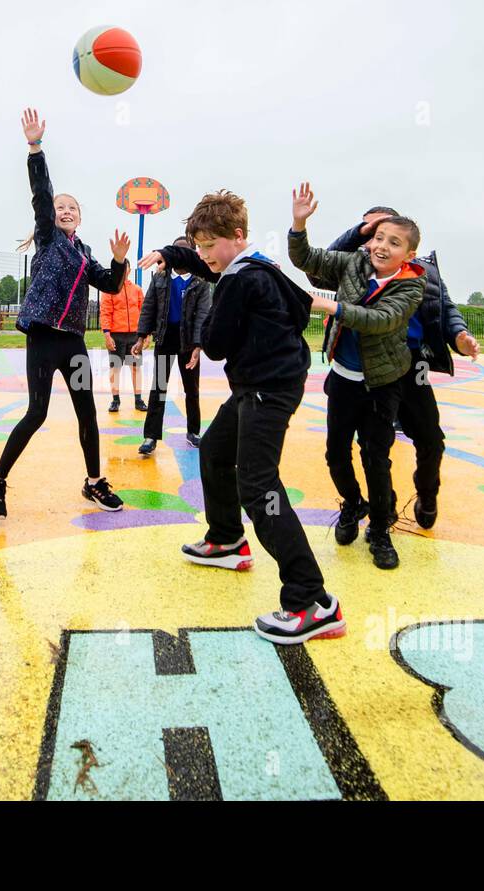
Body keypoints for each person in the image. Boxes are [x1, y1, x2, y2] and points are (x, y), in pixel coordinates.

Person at [139, 191, 345, 646]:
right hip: (266, 380)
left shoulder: (238, 280)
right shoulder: (262, 266)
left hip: (266, 389)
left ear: (235, 237)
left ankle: (312, 601)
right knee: (214, 450)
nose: (203, 256)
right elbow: (297, 305)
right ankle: (228, 539)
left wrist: (219, 317)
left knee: (259, 485)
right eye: (198, 247)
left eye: (209, 246)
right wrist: (173, 253)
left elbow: (213, 344)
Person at [0, 108, 130, 519]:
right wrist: (35, 148)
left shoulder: (84, 253)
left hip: (74, 342)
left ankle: (95, 483)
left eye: (71, 209)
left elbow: (111, 285)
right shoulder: (48, 239)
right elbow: (42, 194)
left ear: (80, 219)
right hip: (44, 337)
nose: (64, 210)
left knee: (88, 411)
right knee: (38, 411)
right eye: (60, 207)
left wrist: (119, 261)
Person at [288, 183, 426, 569]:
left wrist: (330, 306)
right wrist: (299, 223)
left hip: (382, 384)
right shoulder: (354, 264)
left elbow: (380, 321)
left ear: (408, 254)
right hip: (344, 380)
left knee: (376, 458)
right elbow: (308, 259)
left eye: (394, 242)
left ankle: (381, 528)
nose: (383, 246)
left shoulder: (412, 285)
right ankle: (352, 503)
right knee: (335, 453)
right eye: (379, 237)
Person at [326, 207, 480, 528]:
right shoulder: (359, 265)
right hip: (371, 367)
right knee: (373, 445)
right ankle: (385, 508)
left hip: (412, 365)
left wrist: (460, 335)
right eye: (372, 231)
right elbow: (319, 267)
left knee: (430, 439)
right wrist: (359, 231)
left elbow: (445, 307)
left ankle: (427, 492)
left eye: (384, 231)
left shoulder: (423, 272)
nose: (378, 240)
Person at [133, 236, 212, 453]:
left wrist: (197, 345)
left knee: (192, 389)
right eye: (176, 250)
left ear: (193, 254)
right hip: (165, 338)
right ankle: (150, 437)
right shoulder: (160, 277)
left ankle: (193, 431)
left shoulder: (201, 281)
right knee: (158, 388)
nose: (180, 254)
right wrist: (141, 336)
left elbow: (203, 315)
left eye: (185, 251)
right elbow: (149, 307)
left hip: (188, 342)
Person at [100, 269, 146, 412]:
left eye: (125, 268)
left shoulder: (137, 290)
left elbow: (144, 311)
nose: (123, 271)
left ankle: (138, 400)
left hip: (134, 335)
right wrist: (107, 335)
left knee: (135, 367)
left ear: (129, 270)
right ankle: (115, 400)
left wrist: (145, 334)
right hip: (116, 335)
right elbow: (105, 312)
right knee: (115, 368)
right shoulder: (109, 290)